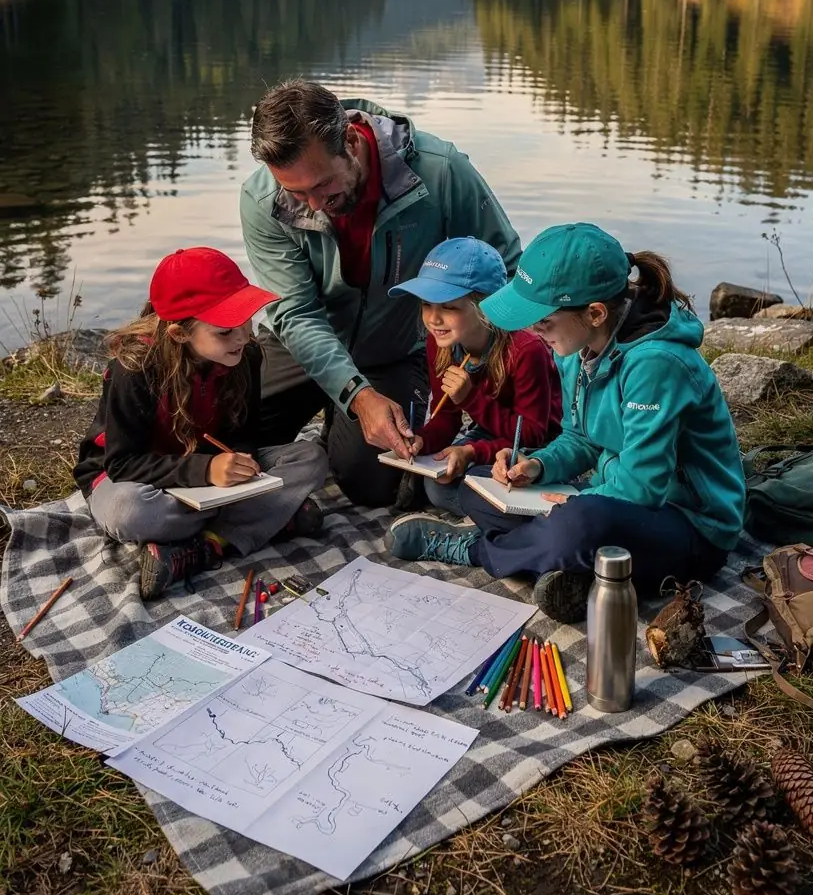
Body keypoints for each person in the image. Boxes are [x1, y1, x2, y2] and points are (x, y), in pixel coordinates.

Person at [387, 222, 746, 622]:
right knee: (479, 484)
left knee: (578, 523)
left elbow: (644, 486)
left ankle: (481, 550)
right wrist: (538, 466)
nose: (534, 332)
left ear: (594, 313)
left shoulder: (657, 364)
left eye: (543, 321)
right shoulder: (573, 345)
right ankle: (564, 563)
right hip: (616, 499)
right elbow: (580, 438)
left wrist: (572, 502)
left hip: (691, 525)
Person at [240, 80, 520, 507]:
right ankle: (338, 414)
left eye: (323, 185)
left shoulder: (440, 170)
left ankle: (342, 428)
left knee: (377, 482)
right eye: (297, 193)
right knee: (225, 438)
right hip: (297, 348)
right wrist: (357, 395)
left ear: (351, 141)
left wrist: (488, 360)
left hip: (393, 349)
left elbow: (504, 264)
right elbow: (295, 314)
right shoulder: (260, 200)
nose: (314, 204)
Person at [74, 247, 328, 601]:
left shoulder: (245, 354)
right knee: (128, 512)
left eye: (246, 321)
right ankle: (263, 518)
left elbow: (245, 432)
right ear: (180, 334)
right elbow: (122, 463)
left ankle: (206, 547)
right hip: (136, 480)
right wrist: (207, 470)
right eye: (226, 331)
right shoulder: (134, 368)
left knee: (310, 458)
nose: (242, 337)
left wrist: (241, 458)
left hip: (210, 481)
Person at [386, 237, 562, 519]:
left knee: (459, 486)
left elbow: (533, 433)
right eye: (426, 305)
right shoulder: (441, 344)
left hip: (540, 443)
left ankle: (509, 519)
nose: (433, 319)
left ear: (485, 306)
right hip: (492, 431)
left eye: (449, 307)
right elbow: (446, 416)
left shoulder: (527, 350)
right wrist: (421, 440)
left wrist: (470, 414)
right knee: (439, 483)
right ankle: (496, 515)